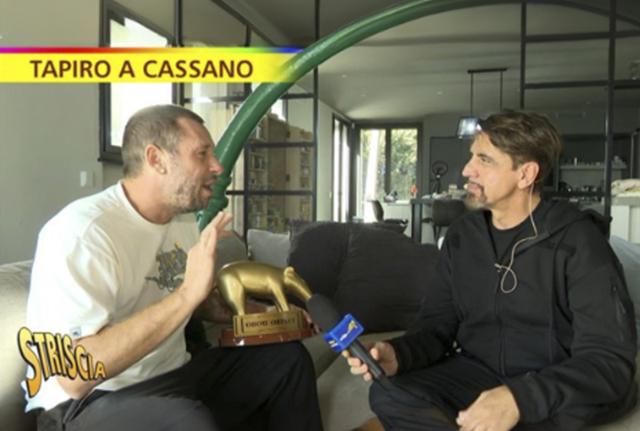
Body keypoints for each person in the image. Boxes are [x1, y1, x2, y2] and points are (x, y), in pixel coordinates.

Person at [24, 105, 323, 431]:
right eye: (202, 154)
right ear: (156, 159)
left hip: (174, 377)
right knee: (188, 421)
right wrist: (187, 294)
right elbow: (73, 376)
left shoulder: (181, 221)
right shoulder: (83, 232)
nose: (217, 166)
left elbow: (196, 304)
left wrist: (271, 314)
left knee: (287, 361)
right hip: (87, 403)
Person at [345, 111, 637, 430]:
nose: (467, 169)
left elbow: (609, 359)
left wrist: (519, 399)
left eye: (484, 160)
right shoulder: (462, 236)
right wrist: (398, 353)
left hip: (552, 382)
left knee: (561, 412)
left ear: (525, 174)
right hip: (479, 372)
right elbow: (436, 326)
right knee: (389, 394)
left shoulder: (579, 240)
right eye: (472, 156)